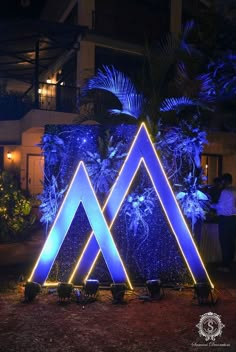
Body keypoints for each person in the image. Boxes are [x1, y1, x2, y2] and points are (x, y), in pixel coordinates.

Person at [212, 173, 236, 272]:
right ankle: (229, 262)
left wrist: (210, 205)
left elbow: (221, 206)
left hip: (226, 220)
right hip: (234, 219)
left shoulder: (225, 191)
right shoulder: (234, 190)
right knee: (231, 242)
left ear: (225, 181)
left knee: (225, 242)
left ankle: (225, 266)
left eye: (222, 181)